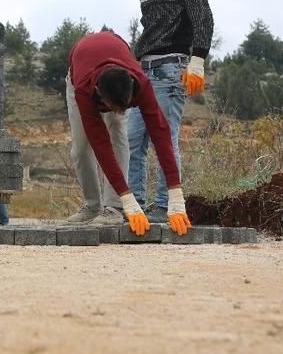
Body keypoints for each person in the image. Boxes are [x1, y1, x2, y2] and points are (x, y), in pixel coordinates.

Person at [65, 31, 190, 236]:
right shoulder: (84, 90)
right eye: (114, 107)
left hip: (115, 63)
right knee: (80, 148)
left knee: (119, 137)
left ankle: (114, 207)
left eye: (125, 107)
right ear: (98, 92)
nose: (121, 112)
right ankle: (93, 205)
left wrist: (176, 195)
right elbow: (101, 145)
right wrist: (128, 197)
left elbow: (161, 134)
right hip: (79, 72)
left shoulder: (140, 82)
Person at [129, 0, 214, 222]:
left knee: (164, 138)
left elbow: (203, 20)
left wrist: (197, 62)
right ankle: (136, 206)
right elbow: (149, 31)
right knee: (133, 139)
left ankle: (165, 207)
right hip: (144, 70)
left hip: (171, 69)